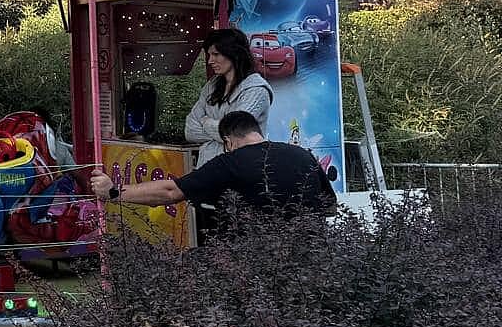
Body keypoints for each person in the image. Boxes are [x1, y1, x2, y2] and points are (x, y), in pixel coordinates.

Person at [92, 110, 333, 241]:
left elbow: (171, 191)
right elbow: (330, 207)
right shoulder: (303, 155)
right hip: (313, 258)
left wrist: (113, 192)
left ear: (227, 141)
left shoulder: (229, 163)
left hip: (258, 264)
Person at [184, 28, 274, 167]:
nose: (210, 61)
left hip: (240, 170)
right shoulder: (211, 86)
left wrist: (206, 122)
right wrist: (221, 131)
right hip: (207, 169)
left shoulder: (257, 90)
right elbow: (190, 131)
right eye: (209, 55)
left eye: (216, 54)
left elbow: (236, 134)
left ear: (234, 53)